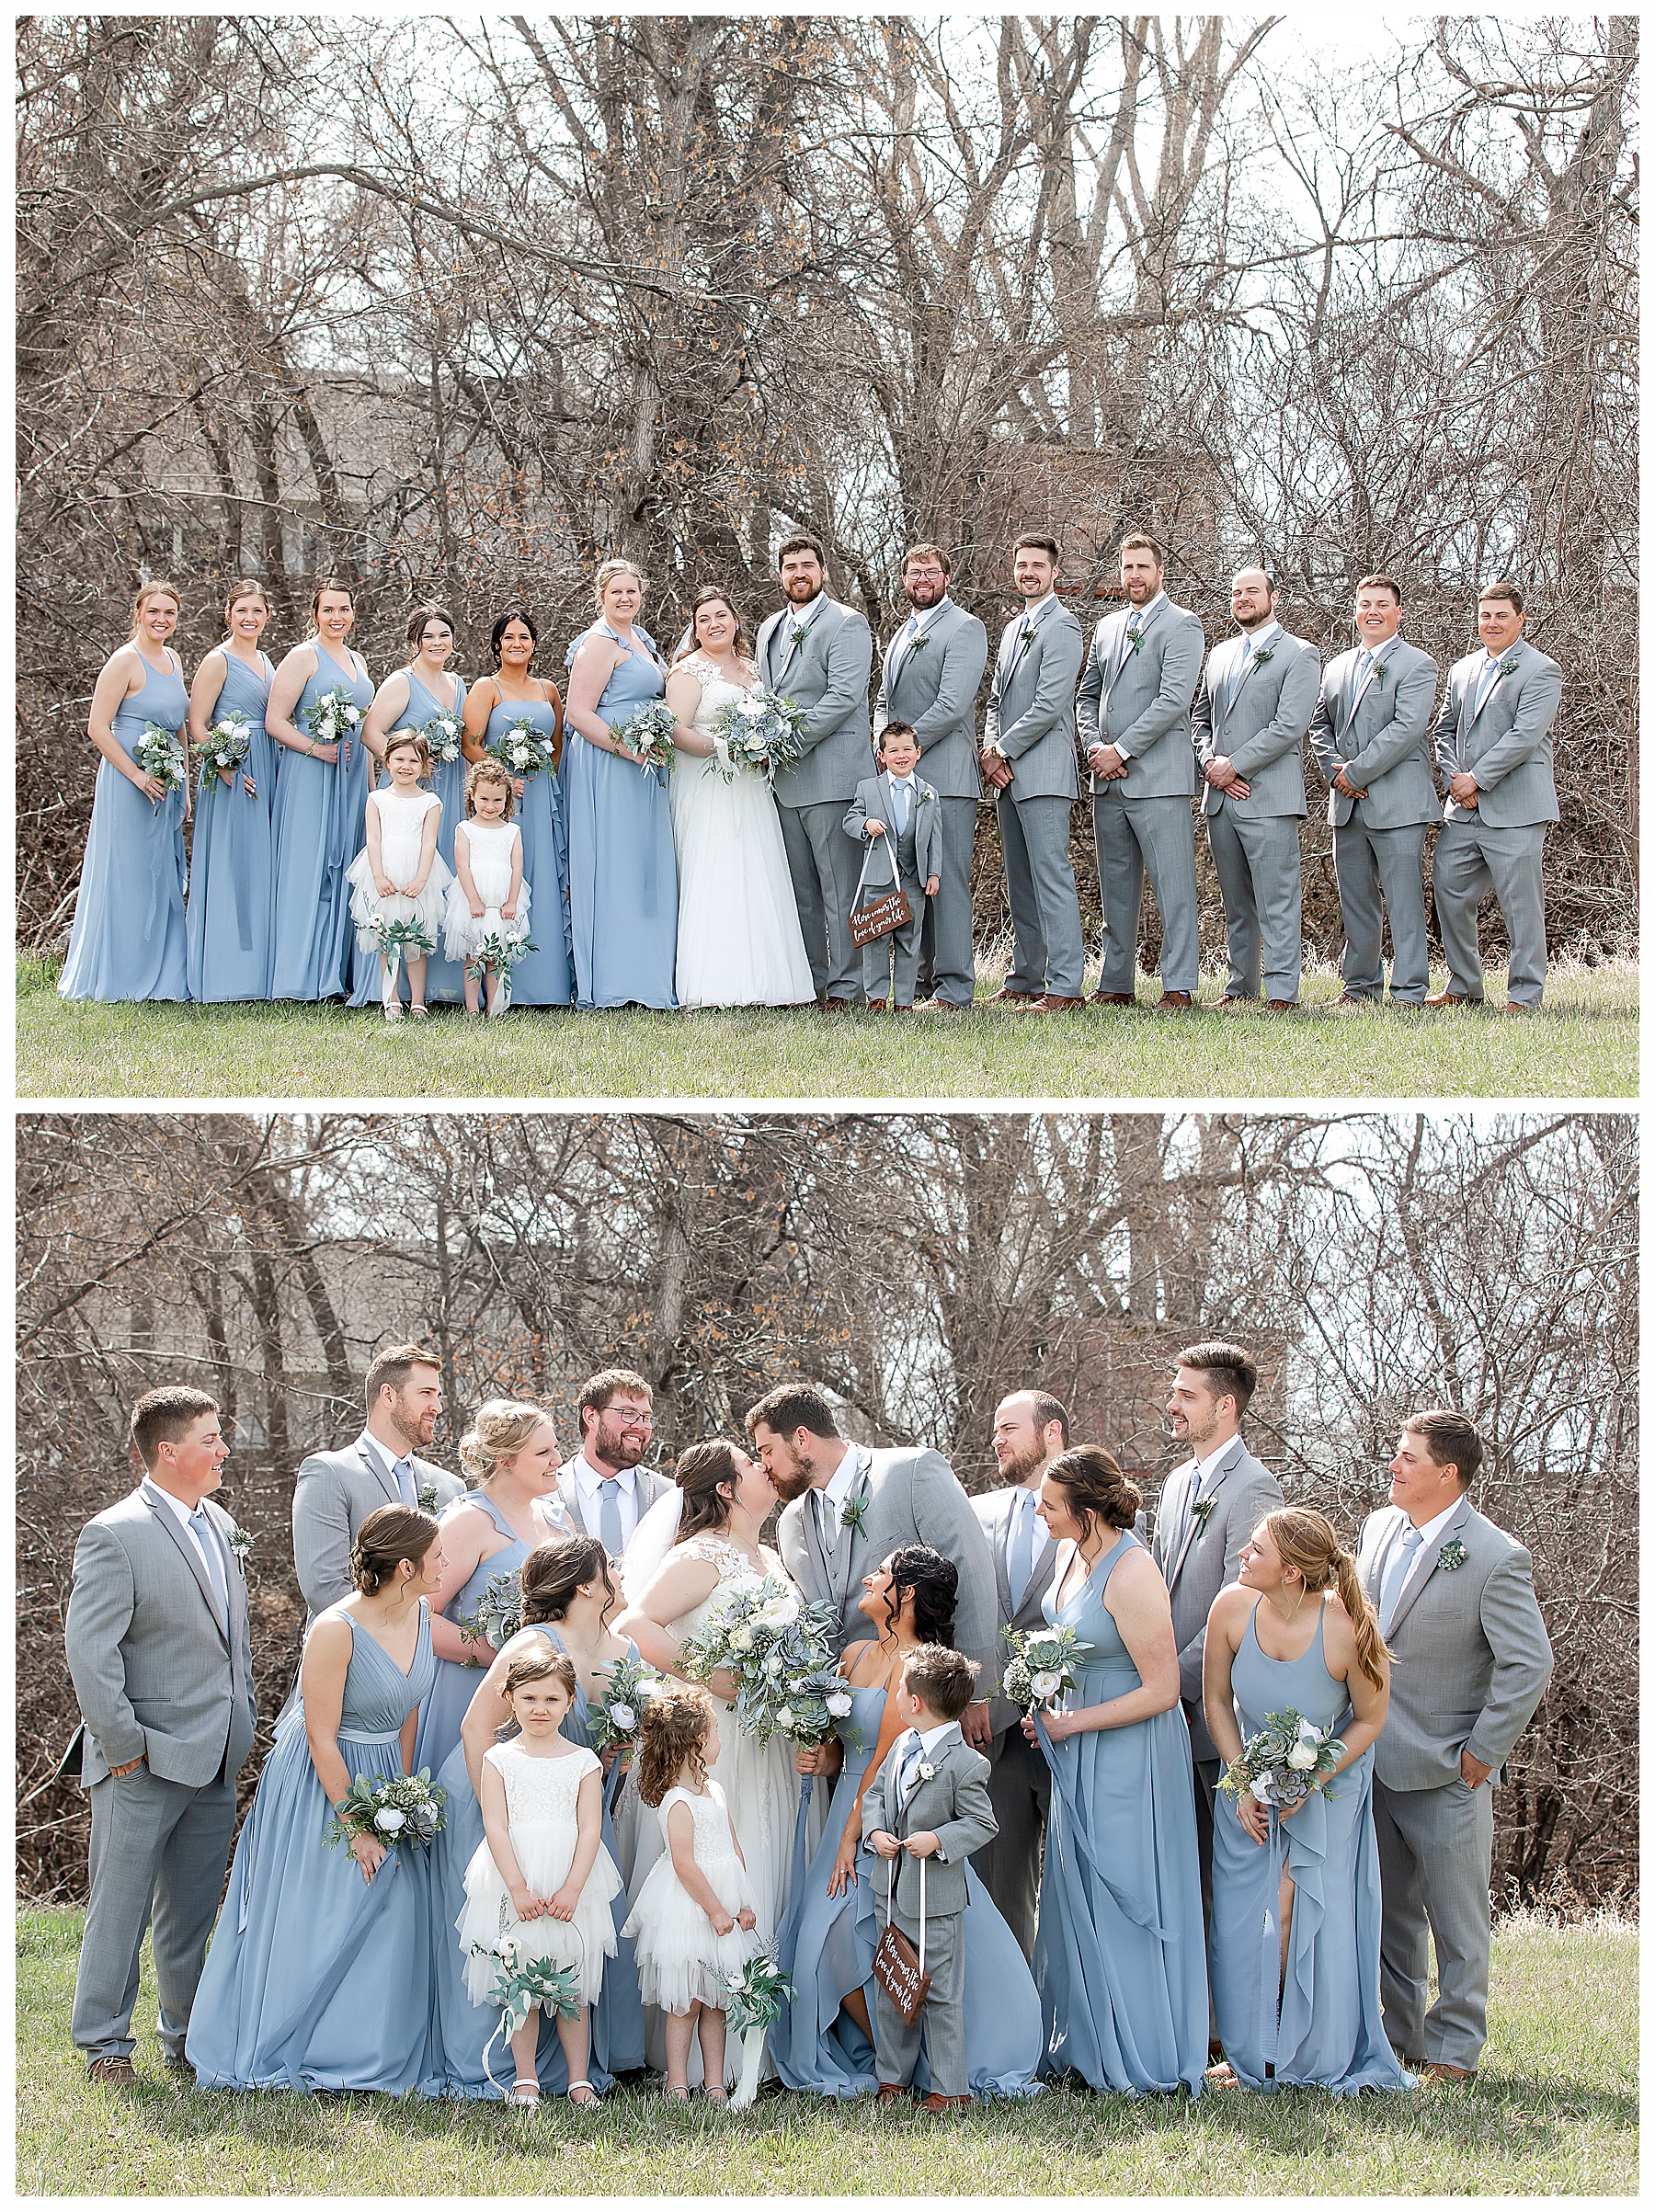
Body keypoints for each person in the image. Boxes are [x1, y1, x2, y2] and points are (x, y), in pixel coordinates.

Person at [187, 1504, 442, 2092]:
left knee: (393, 1906)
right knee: (322, 1910)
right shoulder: (334, 1629)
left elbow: (408, 1711)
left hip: (385, 1777)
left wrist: (400, 1800)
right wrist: (356, 1822)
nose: (445, 1564)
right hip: (321, 1780)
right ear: (406, 1567)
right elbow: (319, 1736)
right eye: (437, 1556)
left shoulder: (422, 1616)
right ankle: (298, 2041)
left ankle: (368, 2049)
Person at [770, 1548, 1041, 2101]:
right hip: (844, 1812)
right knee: (820, 1946)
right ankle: (896, 2057)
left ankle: (919, 2065)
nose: (868, 1578)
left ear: (907, 1595)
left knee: (860, 1939)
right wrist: (821, 1761)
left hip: (887, 1819)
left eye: (883, 1574)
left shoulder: (918, 1665)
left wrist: (851, 1838)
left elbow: (881, 1760)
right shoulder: (854, 1653)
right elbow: (845, 1749)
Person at [63, 1387, 257, 2081]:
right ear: (168, 1451)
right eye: (210, 1438)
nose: (223, 1449)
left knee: (191, 1912)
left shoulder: (220, 1523)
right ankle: (104, 2046)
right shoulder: (115, 1532)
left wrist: (246, 1716)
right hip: (140, 1760)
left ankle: (185, 2039)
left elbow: (229, 1643)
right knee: (119, 1910)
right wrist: (124, 1751)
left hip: (214, 1756)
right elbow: (92, 1653)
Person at [1356, 1410, 1554, 2081]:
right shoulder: (1379, 1528)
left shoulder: (1497, 1556)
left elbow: (1528, 1665)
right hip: (1372, 1759)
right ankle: (1400, 2040)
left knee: (1457, 1923)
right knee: (1390, 1919)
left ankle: (1454, 2051)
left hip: (1449, 1771)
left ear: (1447, 1473)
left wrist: (1483, 1752)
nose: (1394, 1465)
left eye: (1408, 1457)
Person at [427, 1536, 645, 2099]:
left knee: (578, 1939)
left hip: (578, 1813)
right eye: (609, 1568)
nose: (618, 1574)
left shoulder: (626, 1653)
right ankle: (506, 2066)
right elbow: (476, 1727)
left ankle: (581, 2070)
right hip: (501, 1801)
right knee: (508, 1938)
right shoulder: (536, 1643)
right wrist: (494, 1812)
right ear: (586, 1586)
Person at [1204, 1511, 1412, 2093]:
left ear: (1291, 1572)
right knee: (1243, 1920)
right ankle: (1250, 2053)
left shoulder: (1347, 1629)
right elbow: (1217, 1704)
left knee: (1295, 1907)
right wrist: (1245, 1783)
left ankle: (1300, 2055)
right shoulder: (1230, 1610)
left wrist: (1311, 1777)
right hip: (1245, 1785)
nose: (1243, 1556)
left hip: (1326, 1788)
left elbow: (1369, 1720)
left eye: (1255, 1550)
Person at [1024, 1445, 1208, 2094]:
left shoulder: (1132, 1572)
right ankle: (1084, 2045)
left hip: (1130, 1750)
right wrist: (1048, 1704)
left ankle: (1140, 2050)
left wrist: (1075, 1721)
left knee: (1122, 1887)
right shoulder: (1070, 1552)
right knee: (1076, 1888)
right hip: (1076, 1737)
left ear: (1088, 1510)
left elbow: (1162, 1688)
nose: (1038, 1512)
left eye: (1050, 1505)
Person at [612, 1442, 807, 1957]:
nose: (764, 1467)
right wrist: (707, 1676)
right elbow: (633, 1623)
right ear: (726, 1489)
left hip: (772, 1734)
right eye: (750, 1464)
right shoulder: (702, 1552)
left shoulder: (769, 1557)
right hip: (719, 1734)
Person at [746, 1384, 999, 1703]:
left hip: (937, 1703)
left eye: (767, 1451)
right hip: (851, 1719)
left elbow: (971, 1571)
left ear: (801, 1438)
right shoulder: (790, 1523)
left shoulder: (912, 1472)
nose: (764, 1465)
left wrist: (976, 1694)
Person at [1151, 1341, 1284, 1945]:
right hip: (1166, 1711)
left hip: (1216, 1714)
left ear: (1225, 1406)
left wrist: (1171, 1682)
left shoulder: (1255, 1488)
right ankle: (1192, 2018)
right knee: (1180, 1874)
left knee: (1226, 1877)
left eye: (1187, 1395)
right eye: (1174, 1391)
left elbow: (1244, 1601)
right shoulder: (1179, 1481)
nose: (1172, 1404)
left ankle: (1226, 2023)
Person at [454, 1648, 622, 2106]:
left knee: (574, 1977)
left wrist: (572, 1887)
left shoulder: (583, 1761)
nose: (539, 1709)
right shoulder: (499, 1760)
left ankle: (578, 2077)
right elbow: (495, 1827)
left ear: (569, 1702)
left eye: (551, 1699)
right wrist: (517, 1887)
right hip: (517, 1874)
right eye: (528, 1698)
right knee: (520, 1977)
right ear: (510, 1699)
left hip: (571, 1876)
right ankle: (525, 2077)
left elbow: (591, 1830)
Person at [662, 585, 815, 1009]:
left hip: (752, 786)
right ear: (694, 629)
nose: (715, 624)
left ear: (735, 620)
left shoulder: (754, 669)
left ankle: (770, 982)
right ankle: (716, 982)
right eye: (704, 619)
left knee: (757, 870)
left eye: (721, 616)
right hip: (708, 784)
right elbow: (677, 732)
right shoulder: (688, 672)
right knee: (716, 870)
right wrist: (726, 747)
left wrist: (762, 748)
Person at [863, 1642, 999, 2113]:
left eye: (900, 1686)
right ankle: (891, 2079)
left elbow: (982, 1823)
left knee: (940, 1993)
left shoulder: (967, 1763)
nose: (897, 1692)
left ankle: (949, 2088)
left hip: (936, 1900)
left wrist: (938, 1840)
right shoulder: (902, 1744)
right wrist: (876, 1830)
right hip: (892, 1891)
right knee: (892, 1985)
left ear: (915, 1702)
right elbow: (878, 1793)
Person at [1078, 532, 1206, 1011]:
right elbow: (1086, 694)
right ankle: (1115, 982)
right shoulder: (1107, 626)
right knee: (1115, 885)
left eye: (1142, 567)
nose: (1134, 576)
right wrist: (1094, 744)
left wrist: (1123, 750)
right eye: (1127, 567)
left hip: (1158, 778)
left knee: (1173, 885)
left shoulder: (1182, 625)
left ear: (1160, 572)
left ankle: (1179, 985)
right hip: (1105, 778)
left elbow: (1174, 700)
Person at [620, 1683, 764, 2102]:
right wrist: (717, 1910)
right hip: (689, 1909)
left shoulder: (715, 1791)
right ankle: (677, 2081)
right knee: (685, 2001)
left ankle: (715, 2081)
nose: (721, 1741)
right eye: (716, 1732)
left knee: (717, 1999)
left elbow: (733, 1848)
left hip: (723, 1903)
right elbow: (684, 1862)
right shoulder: (677, 1800)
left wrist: (743, 1902)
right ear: (700, 1741)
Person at [412, 1398, 573, 1774]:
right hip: (470, 1686)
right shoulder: (469, 1521)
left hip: (544, 1695)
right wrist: (499, 1658)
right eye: (544, 1452)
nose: (558, 1460)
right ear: (505, 1461)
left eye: (555, 1449)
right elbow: (418, 1615)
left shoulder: (558, 1519)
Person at [1426, 579, 1564, 1014]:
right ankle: (1465, 984)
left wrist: (1478, 778)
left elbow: (1524, 736)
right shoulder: (1461, 669)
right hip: (1462, 809)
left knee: (1520, 902)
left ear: (1520, 620)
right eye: (1485, 615)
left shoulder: (1541, 670)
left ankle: (1525, 994)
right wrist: (1454, 777)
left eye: (1502, 615)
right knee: (1448, 889)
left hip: (1517, 806)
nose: (1492, 623)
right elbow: (1443, 730)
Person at [1307, 574, 1441, 1008]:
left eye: (1382, 604)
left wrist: (1357, 773)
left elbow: (1406, 730)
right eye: (1365, 604)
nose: (1373, 612)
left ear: (1398, 612)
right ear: (1355, 611)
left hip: (1397, 802)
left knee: (1404, 900)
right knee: (1357, 899)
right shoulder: (1337, 666)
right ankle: (1360, 987)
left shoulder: (1417, 664)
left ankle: (1408, 990)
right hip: (1346, 803)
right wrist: (1335, 772)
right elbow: (1318, 725)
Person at [755, 533, 876, 1010]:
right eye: (790, 566)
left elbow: (844, 698)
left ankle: (849, 988)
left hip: (831, 777)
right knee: (801, 890)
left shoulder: (847, 623)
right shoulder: (768, 629)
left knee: (841, 889)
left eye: (808, 565)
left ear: (822, 572)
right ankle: (812, 983)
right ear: (780, 573)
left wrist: (785, 741)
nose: (799, 574)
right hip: (784, 784)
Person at [1191, 566, 1319, 1012]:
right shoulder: (1220, 653)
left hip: (1268, 796)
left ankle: (1282, 991)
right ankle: (1239, 985)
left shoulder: (1299, 654)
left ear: (1274, 597)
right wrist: (1210, 762)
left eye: (1252, 592)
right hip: (1221, 798)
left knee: (1277, 898)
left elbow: (1289, 726)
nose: (1243, 598)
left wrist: (1235, 765)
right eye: (1236, 593)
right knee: (1236, 901)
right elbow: (1200, 719)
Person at [58, 581, 189, 1003]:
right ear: (138, 613)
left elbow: (180, 722)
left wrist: (183, 783)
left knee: (160, 873)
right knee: (127, 872)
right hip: (129, 782)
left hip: (166, 781)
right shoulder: (124, 661)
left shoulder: (173, 658)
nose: (161, 619)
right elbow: (97, 727)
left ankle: (162, 974)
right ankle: (119, 975)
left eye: (169, 612)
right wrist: (135, 775)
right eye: (153, 611)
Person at [970, 1390, 1067, 1957]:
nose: (997, 1440)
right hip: (993, 1734)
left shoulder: (1096, 1516)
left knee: (1073, 1889)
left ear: (1051, 1433)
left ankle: (1070, 2025)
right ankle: (1016, 2028)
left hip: (1071, 1725)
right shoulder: (976, 1513)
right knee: (1000, 1889)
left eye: (1009, 1428)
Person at [562, 560, 683, 1009]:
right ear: (601, 596)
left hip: (645, 767)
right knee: (614, 864)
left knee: (643, 863)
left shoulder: (642, 641)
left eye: (632, 591)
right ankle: (615, 978)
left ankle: (649, 974)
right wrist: (627, 748)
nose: (625, 598)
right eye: (616, 592)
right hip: (609, 766)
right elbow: (578, 713)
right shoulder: (598, 643)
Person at [873, 544, 989, 1010]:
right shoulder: (901, 632)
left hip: (946, 778)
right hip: (903, 781)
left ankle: (956, 986)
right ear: (904, 580)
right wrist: (883, 743)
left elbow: (954, 703)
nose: (923, 578)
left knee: (948, 880)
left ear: (946, 576)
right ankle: (919, 981)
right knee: (913, 881)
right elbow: (884, 697)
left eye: (932, 571)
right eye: (914, 572)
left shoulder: (965, 627)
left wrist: (902, 749)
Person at [977, 533, 1086, 1010]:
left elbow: (1048, 705)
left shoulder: (1063, 627)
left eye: (1037, 565)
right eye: (1021, 564)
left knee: (1050, 876)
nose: (1028, 572)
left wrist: (1003, 749)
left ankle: (1065, 986)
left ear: (1054, 572)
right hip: (1006, 776)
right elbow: (997, 700)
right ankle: (1026, 977)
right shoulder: (1010, 629)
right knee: (1019, 879)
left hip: (1041, 773)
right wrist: (988, 748)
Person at [291, 1342, 464, 1626]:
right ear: (388, 1395)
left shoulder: (450, 1488)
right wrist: (398, 1637)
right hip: (350, 1657)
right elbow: (326, 1588)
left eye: (438, 1395)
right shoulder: (329, 1473)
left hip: (431, 1663)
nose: (437, 1407)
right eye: (426, 1394)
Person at [460, 609, 574, 1009]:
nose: (517, 644)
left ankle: (548, 984)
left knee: (543, 874)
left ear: (535, 644)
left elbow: (557, 745)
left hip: (542, 797)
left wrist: (547, 783)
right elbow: (470, 744)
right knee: (507, 877)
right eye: (508, 637)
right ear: (496, 645)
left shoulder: (548, 690)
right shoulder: (486, 688)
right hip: (503, 801)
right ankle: (503, 987)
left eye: (524, 637)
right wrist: (505, 782)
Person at [266, 578, 373, 1000]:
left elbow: (364, 723)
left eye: (344, 609)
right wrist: (316, 749)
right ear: (315, 614)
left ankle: (339, 972)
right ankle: (300, 976)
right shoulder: (301, 656)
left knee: (345, 863)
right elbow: (276, 721)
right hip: (310, 770)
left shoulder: (358, 659)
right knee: (308, 863)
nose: (337, 617)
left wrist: (366, 784)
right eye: (328, 610)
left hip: (350, 776)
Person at [360, 603, 470, 1007]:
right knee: (406, 881)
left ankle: (442, 987)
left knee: (442, 879)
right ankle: (396, 992)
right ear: (414, 642)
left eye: (444, 635)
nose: (437, 643)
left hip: (449, 792)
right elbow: (372, 730)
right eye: (428, 636)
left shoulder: (459, 684)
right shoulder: (401, 682)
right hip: (408, 795)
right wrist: (408, 765)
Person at [184, 578, 277, 1002]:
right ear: (228, 614)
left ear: (268, 616)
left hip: (267, 765)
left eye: (257, 611)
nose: (250, 618)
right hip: (232, 769)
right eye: (242, 611)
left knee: (261, 862)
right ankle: (225, 973)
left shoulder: (267, 661)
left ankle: (259, 970)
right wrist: (222, 764)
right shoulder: (217, 661)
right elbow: (197, 727)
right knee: (230, 860)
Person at [344, 729, 452, 1020]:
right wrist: (378, 876)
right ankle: (391, 998)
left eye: (414, 761)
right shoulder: (377, 798)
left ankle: (418, 1001)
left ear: (424, 766)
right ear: (387, 760)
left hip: (417, 872)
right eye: (399, 759)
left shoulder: (430, 802)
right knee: (387, 937)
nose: (406, 766)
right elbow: (373, 839)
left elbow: (429, 842)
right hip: (385, 870)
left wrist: (421, 878)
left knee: (417, 940)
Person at [843, 720, 942, 1011]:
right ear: (882, 756)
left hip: (914, 879)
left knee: (910, 941)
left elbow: (935, 836)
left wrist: (933, 872)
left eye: (907, 749)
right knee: (876, 940)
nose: (902, 755)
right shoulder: (868, 788)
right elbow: (849, 820)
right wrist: (865, 823)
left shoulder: (928, 793)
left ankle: (903, 1000)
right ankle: (876, 997)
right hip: (879, 879)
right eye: (894, 750)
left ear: (918, 752)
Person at [553, 1369, 677, 1567]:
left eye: (646, 1417)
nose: (641, 1426)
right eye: (628, 1414)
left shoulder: (670, 1495)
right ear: (591, 1416)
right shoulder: (546, 1493)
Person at [442, 759, 531, 1018]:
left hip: (502, 900)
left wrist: (512, 901)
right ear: (472, 795)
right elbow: (463, 866)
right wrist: (473, 900)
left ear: (507, 799)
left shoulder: (512, 830)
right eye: (484, 799)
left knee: (496, 958)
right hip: (476, 898)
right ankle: (471, 1007)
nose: (490, 807)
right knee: (475, 956)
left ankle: (495, 1006)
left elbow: (517, 868)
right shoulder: (465, 828)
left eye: (497, 801)